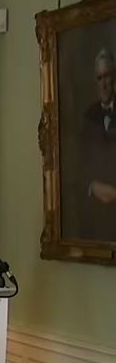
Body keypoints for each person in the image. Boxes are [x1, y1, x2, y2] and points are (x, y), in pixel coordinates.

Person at [72, 48, 116, 243]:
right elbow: (80, 167)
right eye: (99, 78)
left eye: (107, 76)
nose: (104, 83)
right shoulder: (89, 116)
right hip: (96, 220)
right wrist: (92, 186)